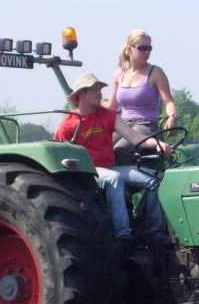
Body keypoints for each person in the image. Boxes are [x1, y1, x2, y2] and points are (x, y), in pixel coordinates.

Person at [54, 73, 171, 244]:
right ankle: (123, 235)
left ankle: (155, 231)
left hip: (110, 167)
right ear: (82, 94)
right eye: (95, 90)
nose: (100, 94)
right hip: (90, 172)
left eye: (100, 90)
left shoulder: (108, 115)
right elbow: (58, 152)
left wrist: (157, 144)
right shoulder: (68, 123)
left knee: (156, 179)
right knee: (114, 179)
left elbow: (133, 136)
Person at [106, 29, 179, 166]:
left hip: (146, 125)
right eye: (142, 48)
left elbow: (168, 101)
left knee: (120, 151)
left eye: (149, 48)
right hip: (123, 125)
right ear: (130, 49)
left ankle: (127, 185)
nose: (147, 52)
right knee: (100, 148)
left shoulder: (155, 72)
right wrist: (85, 101)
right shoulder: (119, 74)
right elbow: (111, 107)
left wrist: (172, 117)